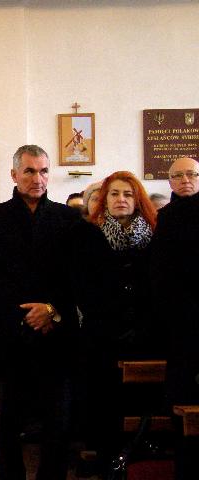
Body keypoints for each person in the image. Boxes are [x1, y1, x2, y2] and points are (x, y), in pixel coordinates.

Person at [0, 145, 81, 480]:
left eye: (44, 171)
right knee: (7, 420)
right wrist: (29, 311)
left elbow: (75, 276)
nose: (38, 178)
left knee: (57, 421)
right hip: (10, 332)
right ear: (14, 175)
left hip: (56, 333)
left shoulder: (67, 218)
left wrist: (51, 309)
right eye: (30, 171)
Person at [73, 171, 158, 475]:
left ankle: (136, 454)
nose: (121, 199)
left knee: (140, 399)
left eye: (128, 194)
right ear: (104, 200)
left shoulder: (152, 234)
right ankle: (106, 457)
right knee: (103, 399)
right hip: (103, 332)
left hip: (144, 332)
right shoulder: (89, 235)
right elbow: (81, 285)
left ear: (138, 200)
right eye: (114, 194)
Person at [150, 173, 199, 480]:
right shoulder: (174, 217)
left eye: (192, 174)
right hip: (187, 332)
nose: (186, 180)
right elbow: (162, 280)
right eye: (179, 175)